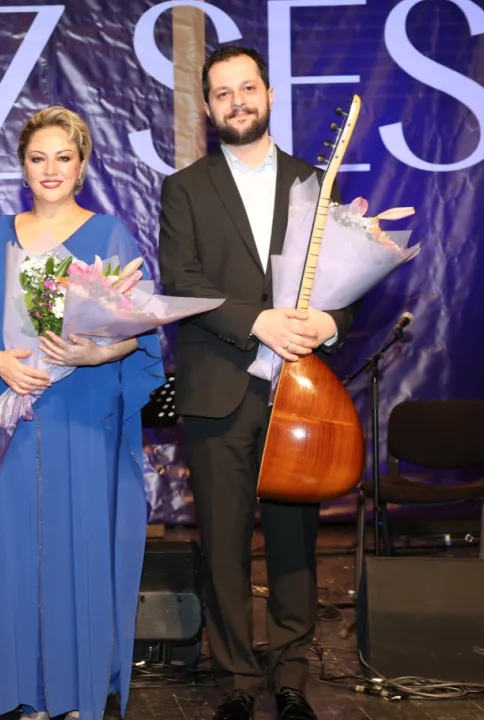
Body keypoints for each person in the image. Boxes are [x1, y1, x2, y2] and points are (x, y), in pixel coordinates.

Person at [0, 106, 165, 720]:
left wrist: (95, 353)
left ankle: (79, 694)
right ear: (22, 166)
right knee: (20, 552)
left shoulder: (110, 235)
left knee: (83, 549)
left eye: (63, 158)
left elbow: (139, 333)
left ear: (82, 165)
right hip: (18, 413)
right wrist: (0, 361)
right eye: (38, 158)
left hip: (85, 413)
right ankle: (28, 694)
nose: (50, 169)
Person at [157, 46, 358, 720]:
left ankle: (291, 674)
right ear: (208, 108)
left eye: (247, 88)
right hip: (220, 388)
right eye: (223, 93)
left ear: (269, 94)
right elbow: (182, 281)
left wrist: (329, 322)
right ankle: (239, 680)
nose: (236, 101)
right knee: (223, 544)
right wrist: (259, 321)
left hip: (298, 392)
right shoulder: (184, 188)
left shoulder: (314, 182)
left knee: (296, 542)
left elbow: (348, 286)